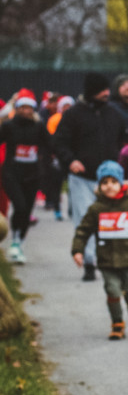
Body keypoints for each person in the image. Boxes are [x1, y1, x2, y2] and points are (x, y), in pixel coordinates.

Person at [53, 72, 128, 281]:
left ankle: (112, 262)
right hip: (82, 178)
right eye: (102, 90)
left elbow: (125, 138)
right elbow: (59, 142)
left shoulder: (113, 114)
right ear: (92, 91)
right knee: (86, 219)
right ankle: (88, 262)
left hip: (110, 179)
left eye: (107, 89)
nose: (107, 93)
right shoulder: (73, 114)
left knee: (112, 219)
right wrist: (70, 160)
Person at [70, 161, 128, 339]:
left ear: (121, 183)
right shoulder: (96, 208)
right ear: (99, 186)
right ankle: (117, 323)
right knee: (112, 290)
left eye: (113, 181)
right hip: (106, 261)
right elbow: (83, 231)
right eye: (104, 182)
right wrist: (77, 251)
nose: (109, 186)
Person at [0, 89, 51, 264]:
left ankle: (19, 242)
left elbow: (50, 144)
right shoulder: (8, 126)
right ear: (18, 108)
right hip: (11, 173)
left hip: (33, 175)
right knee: (20, 206)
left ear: (33, 109)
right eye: (22, 108)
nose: (25, 111)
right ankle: (14, 241)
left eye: (29, 108)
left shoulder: (38, 127)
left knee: (27, 209)